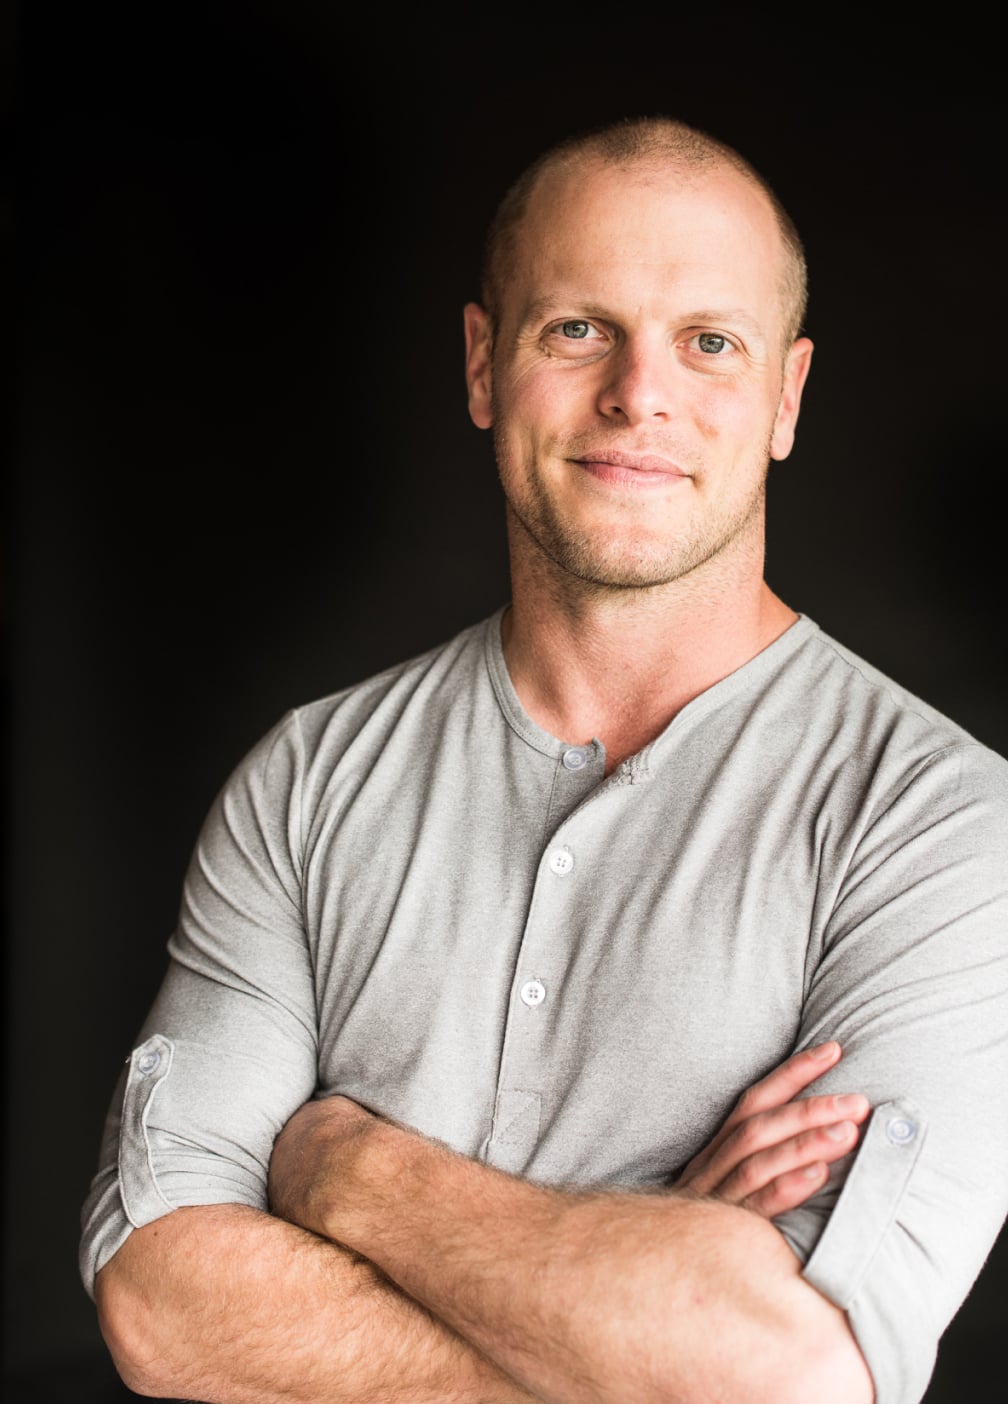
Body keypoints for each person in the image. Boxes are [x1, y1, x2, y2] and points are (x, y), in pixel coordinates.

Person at [80, 116, 1008, 1404]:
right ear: (482, 365)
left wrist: (350, 1169)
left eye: (710, 342)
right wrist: (644, 1296)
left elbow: (793, 1375)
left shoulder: (939, 825)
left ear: (787, 399)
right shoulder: (305, 781)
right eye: (577, 329)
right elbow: (157, 1303)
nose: (639, 394)